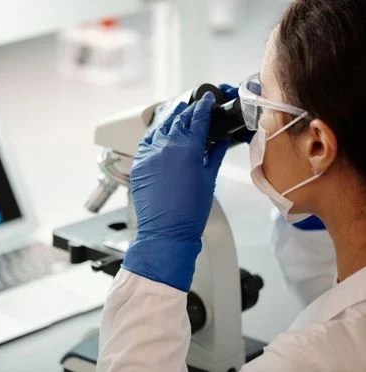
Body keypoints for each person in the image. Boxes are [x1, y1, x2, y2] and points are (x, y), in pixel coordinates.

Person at [96, 0, 366, 370]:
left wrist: (160, 247)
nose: (252, 119)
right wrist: (326, 204)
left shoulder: (312, 357)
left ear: (317, 145)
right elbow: (336, 295)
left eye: (263, 101)